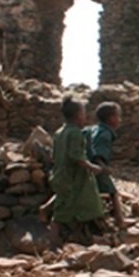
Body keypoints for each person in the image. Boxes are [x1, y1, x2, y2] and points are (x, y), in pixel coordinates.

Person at [48, 97, 106, 243]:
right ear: (79, 115)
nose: (85, 116)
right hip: (73, 178)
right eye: (84, 112)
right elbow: (77, 157)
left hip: (60, 175)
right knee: (68, 210)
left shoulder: (59, 132)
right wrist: (93, 167)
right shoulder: (75, 133)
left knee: (66, 207)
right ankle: (55, 244)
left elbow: (54, 155)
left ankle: (79, 237)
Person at [87, 102, 126, 234]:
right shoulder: (105, 134)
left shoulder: (94, 129)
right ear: (111, 119)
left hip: (88, 165)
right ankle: (120, 221)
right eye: (118, 116)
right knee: (112, 192)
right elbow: (97, 151)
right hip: (96, 167)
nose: (120, 119)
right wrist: (103, 167)